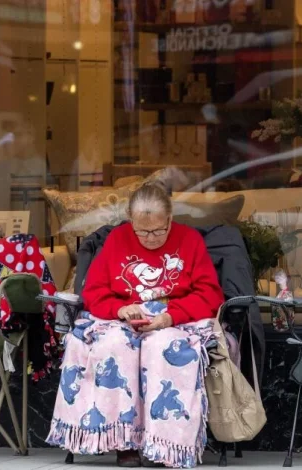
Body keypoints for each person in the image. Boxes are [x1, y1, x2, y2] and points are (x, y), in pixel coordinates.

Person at [46, 181, 225, 468]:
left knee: (165, 347)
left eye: (159, 230)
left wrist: (170, 316)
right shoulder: (117, 239)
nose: (152, 238)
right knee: (115, 345)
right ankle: (124, 442)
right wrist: (120, 309)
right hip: (124, 318)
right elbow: (93, 292)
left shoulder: (190, 240)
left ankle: (164, 445)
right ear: (132, 222)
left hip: (173, 318)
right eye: (143, 231)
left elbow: (209, 294)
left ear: (170, 220)